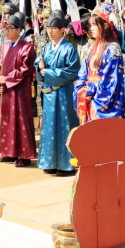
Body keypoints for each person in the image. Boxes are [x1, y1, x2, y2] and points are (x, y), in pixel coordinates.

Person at [35, 14, 80, 175]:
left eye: (54, 28)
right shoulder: (46, 48)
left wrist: (45, 71)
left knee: (64, 126)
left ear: (63, 30)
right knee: (48, 127)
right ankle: (49, 162)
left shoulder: (69, 49)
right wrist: (39, 68)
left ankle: (66, 164)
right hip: (48, 95)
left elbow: (72, 72)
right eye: (48, 28)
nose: (50, 31)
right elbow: (38, 63)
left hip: (63, 94)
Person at [0, 12, 37, 167]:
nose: (6, 31)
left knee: (20, 120)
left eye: (10, 28)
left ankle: (23, 155)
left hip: (20, 90)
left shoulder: (26, 47)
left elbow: (26, 69)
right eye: (5, 28)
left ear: (19, 30)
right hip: (6, 90)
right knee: (6, 121)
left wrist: (8, 78)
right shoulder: (4, 47)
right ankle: (8, 152)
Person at [73, 4, 125, 124]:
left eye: (94, 25)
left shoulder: (113, 49)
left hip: (101, 99)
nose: (91, 28)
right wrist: (81, 89)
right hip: (88, 96)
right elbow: (83, 72)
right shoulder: (92, 48)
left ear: (106, 25)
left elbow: (111, 81)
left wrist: (90, 91)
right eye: (90, 25)